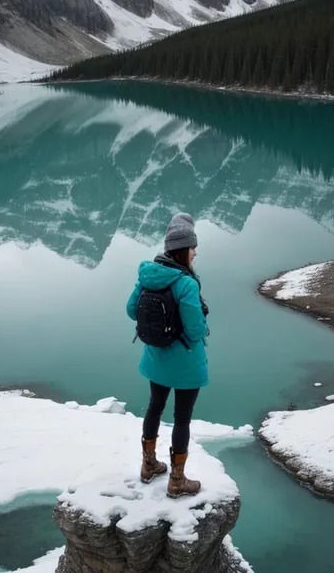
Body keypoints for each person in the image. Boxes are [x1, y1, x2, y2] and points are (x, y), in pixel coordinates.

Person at [126, 213, 209, 498]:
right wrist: (203, 322)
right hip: (185, 362)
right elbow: (196, 329)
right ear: (183, 249)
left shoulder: (149, 275)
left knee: (154, 408)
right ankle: (177, 480)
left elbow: (130, 310)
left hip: (156, 358)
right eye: (193, 248)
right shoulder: (186, 283)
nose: (195, 253)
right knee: (182, 419)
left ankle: (148, 465)